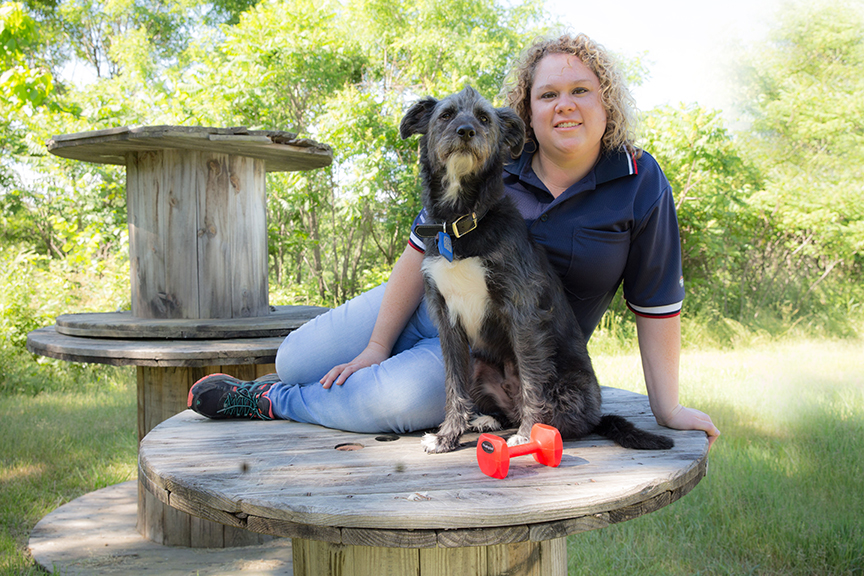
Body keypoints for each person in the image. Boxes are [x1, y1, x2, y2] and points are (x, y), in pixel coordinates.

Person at [188, 33, 720, 449]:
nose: (565, 105)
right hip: (430, 301)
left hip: (503, 349)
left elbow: (657, 305)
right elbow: (420, 245)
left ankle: (271, 401)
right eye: (548, 94)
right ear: (528, 111)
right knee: (297, 354)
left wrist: (668, 407)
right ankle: (291, 379)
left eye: (580, 90)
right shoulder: (490, 156)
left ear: (607, 102)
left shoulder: (637, 180)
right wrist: (376, 345)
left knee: (385, 402)